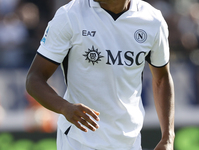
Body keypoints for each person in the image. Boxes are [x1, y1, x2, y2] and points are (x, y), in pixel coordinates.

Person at [26, 0, 175, 149]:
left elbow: (162, 78)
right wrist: (64, 107)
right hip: (78, 140)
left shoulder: (153, 20)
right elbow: (34, 79)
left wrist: (168, 137)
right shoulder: (70, 15)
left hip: (129, 141)